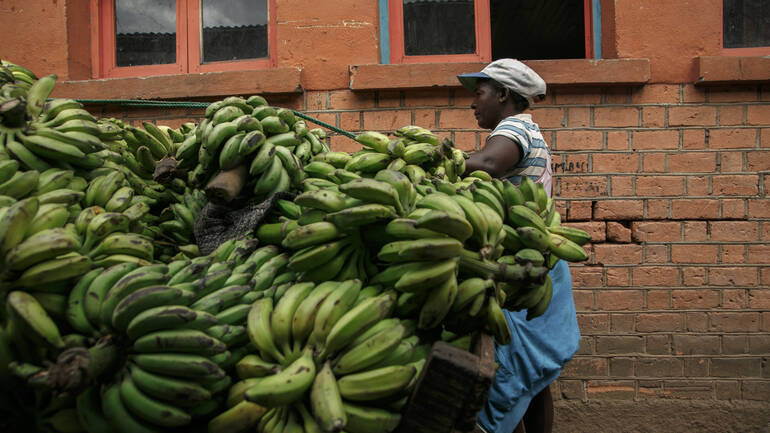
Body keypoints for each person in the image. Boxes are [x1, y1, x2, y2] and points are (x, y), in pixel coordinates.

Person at [456, 59, 581, 433]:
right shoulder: (528, 129)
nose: (473, 103)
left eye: (479, 93)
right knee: (535, 379)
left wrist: (437, 158)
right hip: (538, 265)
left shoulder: (514, 128)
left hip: (523, 270)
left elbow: (490, 163)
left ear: (503, 93)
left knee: (515, 368)